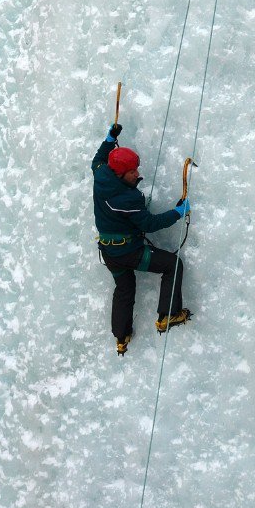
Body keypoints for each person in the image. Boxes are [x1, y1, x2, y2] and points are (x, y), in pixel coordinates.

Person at [92, 123, 192, 356]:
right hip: (129, 252)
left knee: (124, 289)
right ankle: (168, 315)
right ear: (119, 174)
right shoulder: (126, 200)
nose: (137, 174)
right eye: (132, 172)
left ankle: (121, 337)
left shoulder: (101, 174)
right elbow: (149, 224)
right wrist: (177, 213)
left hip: (109, 253)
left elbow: (97, 159)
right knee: (172, 265)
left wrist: (110, 138)